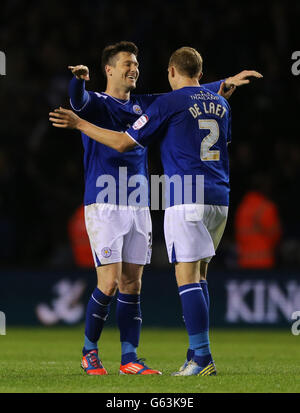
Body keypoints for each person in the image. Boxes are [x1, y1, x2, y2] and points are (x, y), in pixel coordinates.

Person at [53, 40, 262, 376]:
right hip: (104, 202)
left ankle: (129, 357)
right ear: (109, 70)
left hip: (139, 202)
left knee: (132, 284)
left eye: (136, 63)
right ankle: (89, 351)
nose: (134, 68)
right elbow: (80, 100)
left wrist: (222, 85)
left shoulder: (144, 105)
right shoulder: (97, 104)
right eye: (126, 63)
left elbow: (183, 96)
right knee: (108, 283)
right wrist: (78, 81)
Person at [234, 173, 281, 268]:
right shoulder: (266, 207)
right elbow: (275, 235)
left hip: (244, 261)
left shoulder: (242, 208)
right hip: (263, 262)